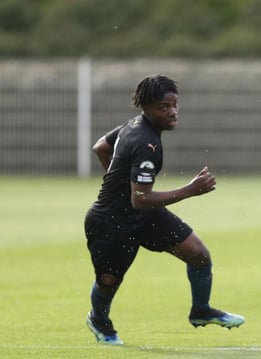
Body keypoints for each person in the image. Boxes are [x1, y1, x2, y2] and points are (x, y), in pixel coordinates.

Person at [84, 74, 244, 345]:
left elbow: (101, 147)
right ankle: (99, 320)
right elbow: (140, 199)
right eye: (164, 107)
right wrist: (190, 190)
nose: (172, 112)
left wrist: (119, 182)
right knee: (109, 280)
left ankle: (200, 311)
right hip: (111, 222)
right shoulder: (146, 142)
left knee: (198, 255)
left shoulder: (135, 127)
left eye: (174, 105)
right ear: (147, 107)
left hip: (141, 215)